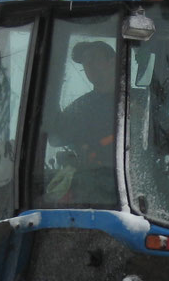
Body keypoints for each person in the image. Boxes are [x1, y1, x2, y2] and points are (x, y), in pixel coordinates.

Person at [48, 40, 119, 205]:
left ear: (112, 62)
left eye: (93, 58)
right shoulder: (81, 107)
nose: (88, 65)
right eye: (85, 62)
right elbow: (56, 137)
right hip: (92, 187)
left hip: (131, 183)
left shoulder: (138, 103)